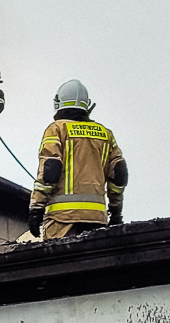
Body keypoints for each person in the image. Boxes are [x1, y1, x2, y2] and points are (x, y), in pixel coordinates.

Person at [29, 79, 126, 240]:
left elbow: (50, 171)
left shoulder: (57, 129)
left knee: (62, 256)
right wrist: (116, 212)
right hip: (97, 219)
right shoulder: (105, 134)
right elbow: (119, 175)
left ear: (59, 102)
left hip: (62, 219)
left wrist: (36, 209)